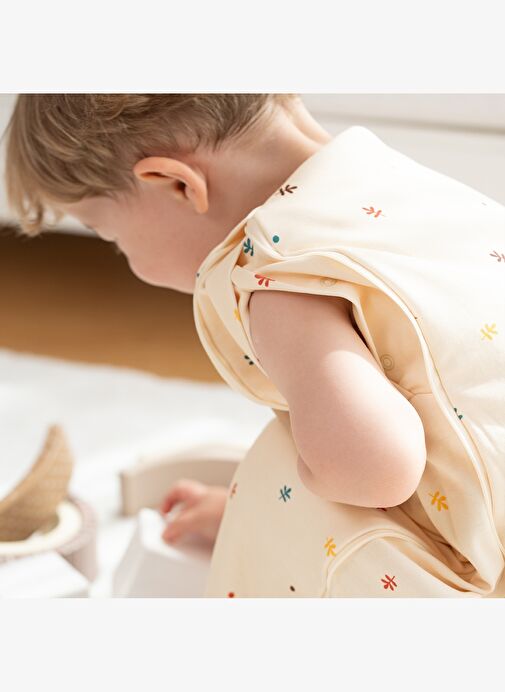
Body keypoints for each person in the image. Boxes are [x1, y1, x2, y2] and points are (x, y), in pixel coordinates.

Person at [4, 94, 504, 596]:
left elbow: (375, 470)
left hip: (474, 570)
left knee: (299, 456)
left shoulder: (275, 277)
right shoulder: (400, 183)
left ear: (177, 185)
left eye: (110, 236)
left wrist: (275, 499)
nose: (124, 256)